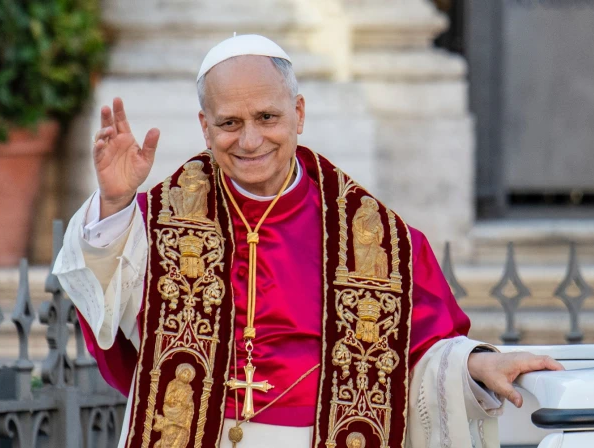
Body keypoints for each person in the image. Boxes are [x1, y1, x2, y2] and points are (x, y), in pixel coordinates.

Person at [54, 34, 563, 448]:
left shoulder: (376, 238)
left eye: (267, 117)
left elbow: (423, 349)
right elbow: (104, 298)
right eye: (229, 123)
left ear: (298, 112)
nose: (249, 140)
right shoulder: (160, 220)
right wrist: (115, 201)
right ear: (205, 128)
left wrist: (478, 363)